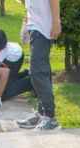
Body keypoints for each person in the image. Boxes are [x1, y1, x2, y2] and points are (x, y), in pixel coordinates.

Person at [16, 0, 61, 131]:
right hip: (35, 25)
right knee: (42, 69)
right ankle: (42, 113)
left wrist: (56, 23)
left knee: (37, 72)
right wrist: (26, 21)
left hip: (42, 28)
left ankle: (50, 118)